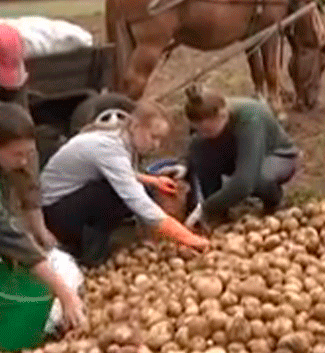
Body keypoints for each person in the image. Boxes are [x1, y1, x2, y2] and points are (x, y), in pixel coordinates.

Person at [0, 102, 85, 329]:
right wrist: (64, 294)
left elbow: (29, 186)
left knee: (11, 251)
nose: (24, 160)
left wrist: (40, 231)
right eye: (17, 154)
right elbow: (3, 231)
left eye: (29, 152)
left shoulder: (17, 148)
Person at [41, 100, 209, 267]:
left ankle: (93, 243)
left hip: (68, 199)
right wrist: (189, 238)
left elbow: (120, 172)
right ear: (136, 126)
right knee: (114, 195)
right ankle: (86, 252)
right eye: (153, 137)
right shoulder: (109, 148)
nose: (156, 145)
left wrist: (153, 180)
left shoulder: (120, 136)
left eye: (160, 139)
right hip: (54, 212)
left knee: (128, 190)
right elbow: (140, 204)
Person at [182, 84, 298, 227]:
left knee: (256, 179)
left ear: (223, 115)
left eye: (206, 131)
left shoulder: (251, 118)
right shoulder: (204, 116)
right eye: (198, 130)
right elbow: (194, 152)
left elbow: (244, 183)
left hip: (277, 156)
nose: (202, 135)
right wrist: (184, 168)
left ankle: (273, 201)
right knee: (200, 150)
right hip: (237, 153)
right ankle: (220, 216)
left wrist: (206, 208)